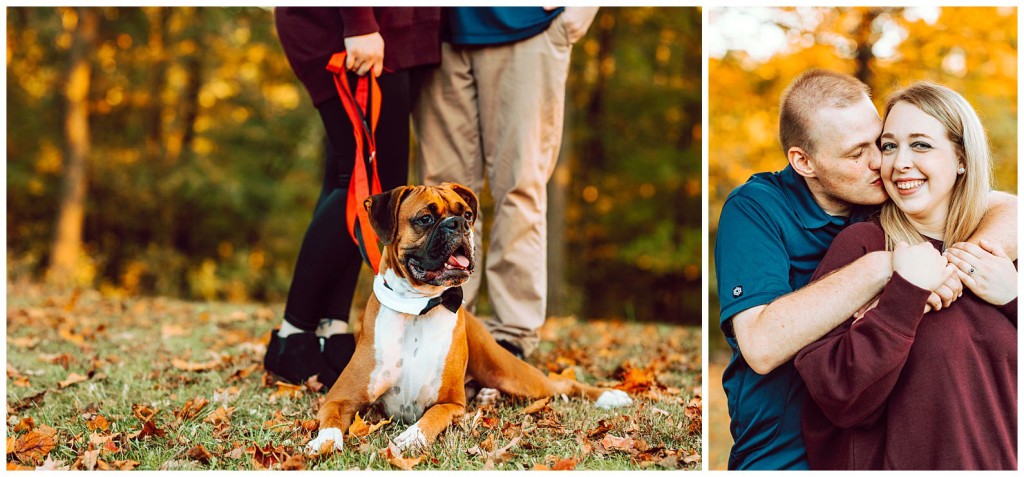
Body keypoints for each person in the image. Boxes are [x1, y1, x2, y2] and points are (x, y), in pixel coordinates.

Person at [713, 70, 1017, 470]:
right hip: (783, 454)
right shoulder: (756, 210)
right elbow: (762, 346)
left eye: (880, 143)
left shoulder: (883, 199)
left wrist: (972, 273)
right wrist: (888, 270)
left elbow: (1005, 204)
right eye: (859, 154)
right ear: (804, 162)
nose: (883, 163)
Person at [263, 7, 441, 389]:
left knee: (348, 174)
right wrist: (359, 23)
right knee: (370, 187)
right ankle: (292, 337)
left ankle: (330, 330)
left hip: (390, 34)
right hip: (355, 31)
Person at [411, 7, 599, 358]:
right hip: (435, 31)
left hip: (527, 28)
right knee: (440, 195)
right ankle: (446, 323)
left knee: (520, 187)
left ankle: (511, 336)